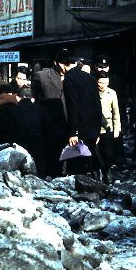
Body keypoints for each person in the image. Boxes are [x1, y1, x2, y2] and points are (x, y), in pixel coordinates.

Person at [61, 56, 102, 177]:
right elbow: (97, 105)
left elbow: (73, 106)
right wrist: (97, 129)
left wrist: (73, 132)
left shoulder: (69, 79)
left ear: (64, 65)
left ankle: (83, 189)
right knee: (89, 159)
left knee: (78, 164)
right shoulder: (90, 78)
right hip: (92, 127)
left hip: (79, 127)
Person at [32, 49, 69, 177]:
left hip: (68, 124)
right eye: (64, 64)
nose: (66, 67)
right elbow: (36, 100)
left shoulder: (74, 77)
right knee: (50, 157)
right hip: (49, 124)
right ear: (56, 63)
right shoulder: (42, 76)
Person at [96, 71, 121, 184]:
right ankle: (98, 172)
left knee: (108, 153)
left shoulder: (112, 93)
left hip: (108, 128)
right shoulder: (92, 92)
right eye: (100, 82)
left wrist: (117, 128)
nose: (102, 85)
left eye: (105, 83)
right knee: (96, 153)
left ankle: (108, 171)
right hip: (95, 128)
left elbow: (116, 112)